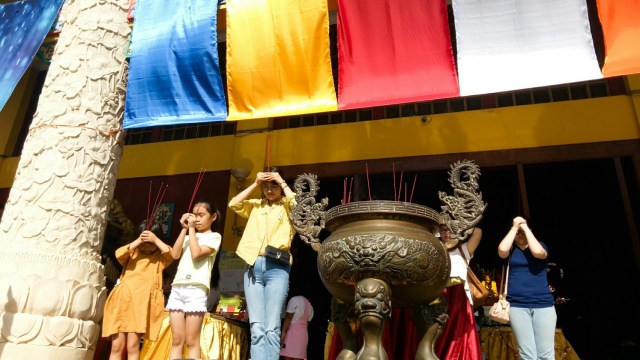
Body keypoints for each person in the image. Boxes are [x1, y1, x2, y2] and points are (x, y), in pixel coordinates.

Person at [228, 167, 296, 360]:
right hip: (253, 266)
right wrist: (255, 183)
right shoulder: (256, 205)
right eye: (265, 186)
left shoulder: (286, 205)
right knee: (256, 326)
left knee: (272, 326)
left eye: (273, 186)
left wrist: (281, 180)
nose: (269, 190)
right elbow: (233, 204)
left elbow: (301, 207)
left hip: (277, 268)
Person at [101, 220, 174, 360]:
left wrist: (155, 240)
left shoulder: (160, 256)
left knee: (133, 346)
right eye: (144, 243)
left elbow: (171, 254)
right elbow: (119, 254)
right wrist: (139, 241)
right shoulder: (132, 251)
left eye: (150, 244)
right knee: (116, 346)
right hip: (123, 301)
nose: (146, 247)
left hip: (141, 304)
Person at [166, 200, 222, 360]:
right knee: (177, 339)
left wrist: (190, 229)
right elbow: (174, 255)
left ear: (213, 217)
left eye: (201, 215)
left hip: (196, 289)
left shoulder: (214, 236)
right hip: (178, 287)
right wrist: (184, 228)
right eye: (194, 215)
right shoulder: (189, 233)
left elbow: (196, 254)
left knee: (191, 340)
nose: (196, 219)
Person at [498, 216, 556, 360]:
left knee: (546, 354)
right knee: (527, 354)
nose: (521, 234)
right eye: (519, 232)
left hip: (543, 305)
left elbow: (538, 253)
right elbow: (501, 250)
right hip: (518, 306)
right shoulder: (511, 250)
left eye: (524, 230)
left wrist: (525, 228)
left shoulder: (541, 245)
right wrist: (514, 227)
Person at [435, 224, 484, 360]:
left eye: (450, 229)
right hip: (439, 298)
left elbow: (478, 232)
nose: (447, 233)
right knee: (441, 336)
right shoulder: (434, 249)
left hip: (459, 298)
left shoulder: (463, 249)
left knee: (460, 335)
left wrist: (461, 222)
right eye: (443, 230)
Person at [280, 289, 314, 360]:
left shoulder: (294, 300)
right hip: (303, 335)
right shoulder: (310, 307)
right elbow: (307, 325)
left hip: (292, 334)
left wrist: (283, 332)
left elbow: (288, 317)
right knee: (298, 357)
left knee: (288, 356)